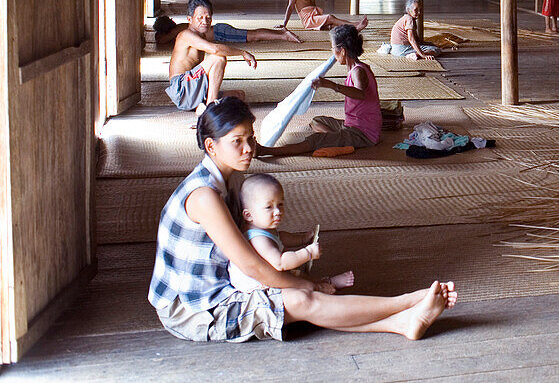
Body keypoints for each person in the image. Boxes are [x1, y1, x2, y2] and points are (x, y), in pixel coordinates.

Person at [148, 97, 457, 343]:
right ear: (211, 146)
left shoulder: (228, 179)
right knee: (300, 298)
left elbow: (253, 235)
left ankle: (401, 323)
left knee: (299, 289)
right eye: (237, 142)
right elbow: (252, 266)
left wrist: (299, 263)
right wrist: (307, 283)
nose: (249, 149)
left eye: (251, 138)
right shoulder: (204, 196)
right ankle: (410, 301)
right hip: (194, 309)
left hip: (217, 288)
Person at [256, 25, 384, 158]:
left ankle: (265, 151)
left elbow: (360, 93)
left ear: (343, 51)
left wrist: (332, 85)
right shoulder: (354, 68)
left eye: (333, 48)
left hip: (364, 133)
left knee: (315, 139)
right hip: (351, 124)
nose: (332, 52)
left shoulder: (358, 71)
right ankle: (335, 141)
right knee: (317, 121)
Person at [228, 173, 354, 293]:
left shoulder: (262, 226)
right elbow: (280, 263)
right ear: (248, 215)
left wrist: (303, 239)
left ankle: (326, 281)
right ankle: (323, 285)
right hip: (259, 285)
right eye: (268, 207)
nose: (277, 211)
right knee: (295, 278)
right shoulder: (258, 239)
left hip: (271, 271)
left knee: (298, 274)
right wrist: (308, 253)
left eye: (280, 204)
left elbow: (281, 237)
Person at [166, 0, 258, 113]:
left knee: (239, 95)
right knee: (218, 58)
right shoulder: (186, 35)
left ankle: (203, 105)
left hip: (194, 89)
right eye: (200, 18)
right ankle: (210, 108)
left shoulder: (202, 35)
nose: (205, 22)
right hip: (182, 88)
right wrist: (242, 52)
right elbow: (215, 49)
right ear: (189, 19)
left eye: (208, 18)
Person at [153, 10, 302, 48]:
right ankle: (282, 33)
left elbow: (162, 41)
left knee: (253, 36)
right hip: (220, 30)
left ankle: (283, 36)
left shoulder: (177, 30)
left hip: (220, 33)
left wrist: (159, 34)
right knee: (253, 34)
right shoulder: (180, 28)